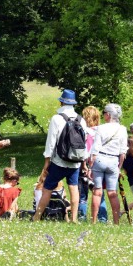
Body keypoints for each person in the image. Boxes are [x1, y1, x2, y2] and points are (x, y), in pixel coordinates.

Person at [32, 89, 85, 222]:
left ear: (61, 102)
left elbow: (51, 142)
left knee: (47, 188)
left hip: (59, 161)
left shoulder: (57, 118)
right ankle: (74, 219)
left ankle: (37, 217)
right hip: (75, 161)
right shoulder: (81, 119)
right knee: (73, 188)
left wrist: (47, 161)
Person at [88, 103, 128, 225]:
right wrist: (119, 167)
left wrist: (90, 166)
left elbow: (95, 148)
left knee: (97, 191)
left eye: (105, 113)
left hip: (100, 158)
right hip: (113, 161)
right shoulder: (122, 129)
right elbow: (122, 152)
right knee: (112, 193)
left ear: (109, 115)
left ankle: (94, 221)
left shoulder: (101, 128)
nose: (103, 115)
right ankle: (116, 222)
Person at [77, 105, 102, 220]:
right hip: (98, 163)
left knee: (82, 193)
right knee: (98, 192)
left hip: (85, 163)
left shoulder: (84, 131)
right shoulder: (101, 131)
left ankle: (82, 217)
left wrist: (83, 165)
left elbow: (83, 149)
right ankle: (102, 217)